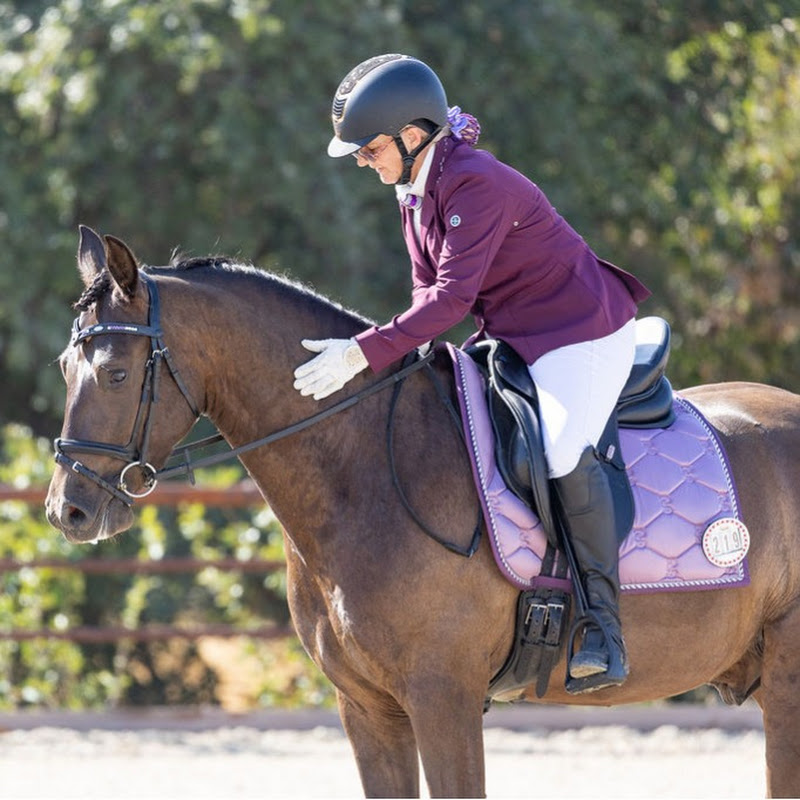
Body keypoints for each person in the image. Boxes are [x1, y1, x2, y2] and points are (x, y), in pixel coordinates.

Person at [293, 53, 651, 693]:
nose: (360, 160)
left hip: (580, 332)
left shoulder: (473, 182)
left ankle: (602, 626)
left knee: (564, 450)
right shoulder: (413, 189)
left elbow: (452, 301)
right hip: (514, 335)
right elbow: (423, 294)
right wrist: (389, 356)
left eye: (368, 148)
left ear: (411, 135)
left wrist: (361, 351)